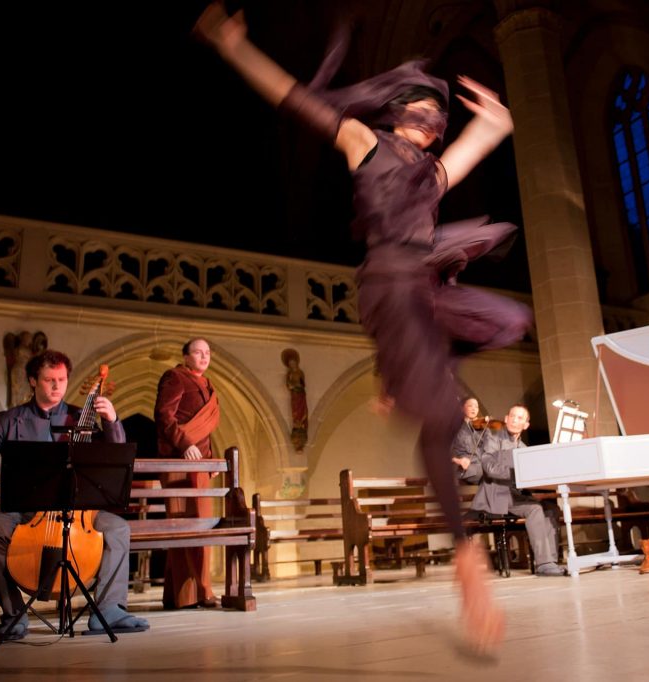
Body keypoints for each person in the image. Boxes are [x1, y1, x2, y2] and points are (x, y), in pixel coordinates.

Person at [193, 3, 534, 651]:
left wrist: (496, 123)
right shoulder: (364, 143)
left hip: (425, 287)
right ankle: (466, 559)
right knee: (442, 419)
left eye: (440, 118)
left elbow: (478, 143)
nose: (434, 124)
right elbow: (293, 97)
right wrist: (234, 48)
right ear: (398, 111)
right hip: (389, 283)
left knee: (510, 320)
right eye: (424, 111)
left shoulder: (433, 174)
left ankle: (409, 383)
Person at [0, 349, 149, 640]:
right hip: (20, 508)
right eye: (49, 379)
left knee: (118, 528)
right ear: (33, 381)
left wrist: (111, 419)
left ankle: (110, 609)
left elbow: (115, 453)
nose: (57, 385)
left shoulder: (81, 418)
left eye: (62, 379)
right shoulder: (8, 421)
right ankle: (14, 613)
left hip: (74, 510)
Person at [455, 404, 565, 576]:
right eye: (512, 416)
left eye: (520, 418)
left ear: (526, 425)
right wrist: (516, 473)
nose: (514, 420)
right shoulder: (493, 438)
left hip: (515, 495)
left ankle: (550, 562)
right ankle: (544, 564)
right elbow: (489, 467)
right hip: (496, 495)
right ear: (506, 419)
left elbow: (533, 473)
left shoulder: (524, 448)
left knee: (551, 509)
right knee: (535, 509)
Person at [154, 337, 221, 609]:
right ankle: (200, 593)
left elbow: (204, 430)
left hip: (199, 464)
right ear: (185, 356)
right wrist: (184, 445)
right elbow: (164, 415)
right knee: (183, 525)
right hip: (178, 461)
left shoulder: (207, 384)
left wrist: (210, 458)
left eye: (207, 352)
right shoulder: (175, 377)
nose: (204, 357)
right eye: (198, 352)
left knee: (200, 524)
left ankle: (180, 595)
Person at [451, 396, 488, 463]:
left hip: (482, 465)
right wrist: (458, 460)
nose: (474, 409)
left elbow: (490, 447)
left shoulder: (483, 427)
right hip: (463, 465)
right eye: (470, 406)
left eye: (476, 407)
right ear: (462, 408)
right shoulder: (456, 426)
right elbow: (448, 450)